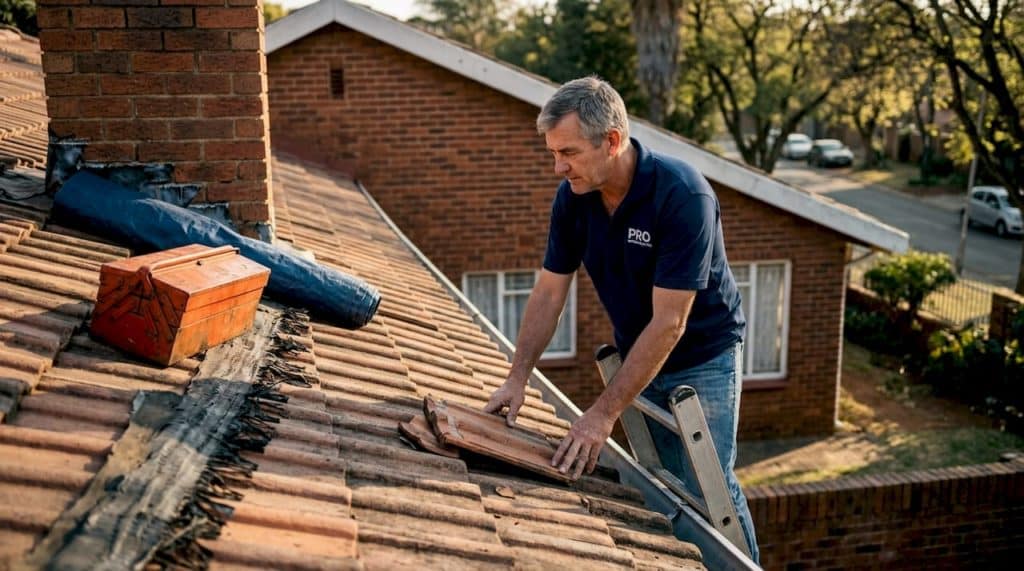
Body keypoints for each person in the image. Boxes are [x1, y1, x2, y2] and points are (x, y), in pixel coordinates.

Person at [483, 76, 759, 561]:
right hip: (640, 349)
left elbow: (671, 322)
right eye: (553, 153)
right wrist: (517, 377)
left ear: (611, 141)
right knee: (662, 487)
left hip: (704, 356)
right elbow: (549, 292)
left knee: (710, 491)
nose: (557, 167)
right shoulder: (575, 197)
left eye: (568, 152)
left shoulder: (681, 196)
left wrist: (603, 414)